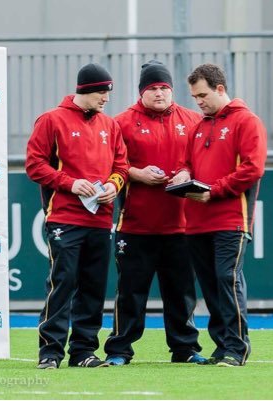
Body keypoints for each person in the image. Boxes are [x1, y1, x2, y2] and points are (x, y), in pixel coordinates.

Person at [25, 63, 129, 369]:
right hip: (64, 218)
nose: (106, 99)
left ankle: (84, 351)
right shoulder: (51, 120)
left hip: (100, 219)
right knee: (63, 282)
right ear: (86, 89)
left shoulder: (110, 126)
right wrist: (70, 183)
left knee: (94, 286)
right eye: (102, 92)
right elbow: (34, 165)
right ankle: (50, 352)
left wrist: (114, 184)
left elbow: (121, 166)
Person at [104, 60, 207, 366]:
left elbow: (201, 161)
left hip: (180, 224)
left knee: (181, 292)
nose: (160, 93)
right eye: (153, 88)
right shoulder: (121, 122)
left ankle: (185, 348)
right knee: (130, 293)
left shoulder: (192, 120)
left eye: (164, 88)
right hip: (137, 224)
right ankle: (120, 350)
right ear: (142, 92)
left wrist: (185, 172)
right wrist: (137, 173)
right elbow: (110, 165)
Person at [171, 63, 267, 367]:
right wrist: (183, 174)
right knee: (211, 284)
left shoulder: (247, 121)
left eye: (202, 95)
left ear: (220, 89)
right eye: (194, 97)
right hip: (197, 221)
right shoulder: (199, 126)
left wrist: (214, 190)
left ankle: (237, 348)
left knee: (227, 278)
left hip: (230, 219)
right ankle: (221, 345)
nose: (198, 101)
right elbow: (186, 162)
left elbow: (252, 169)